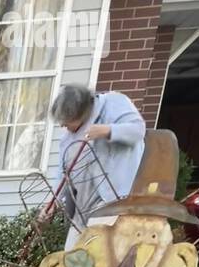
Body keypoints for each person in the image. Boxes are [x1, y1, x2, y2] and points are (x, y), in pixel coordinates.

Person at [51, 85, 146, 250]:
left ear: (80, 113)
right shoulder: (67, 140)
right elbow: (61, 174)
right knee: (70, 255)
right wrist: (52, 203)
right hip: (83, 207)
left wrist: (107, 131)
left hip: (113, 201)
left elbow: (138, 131)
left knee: (93, 253)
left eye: (66, 120)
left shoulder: (113, 103)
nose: (62, 125)